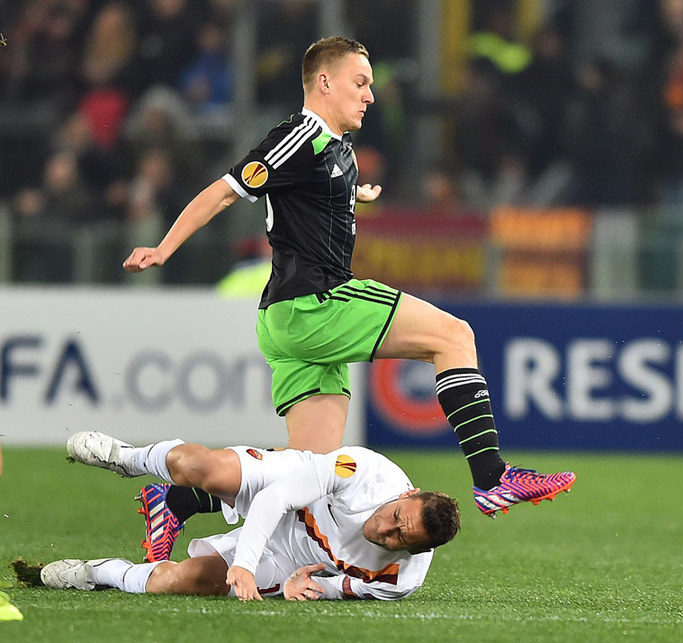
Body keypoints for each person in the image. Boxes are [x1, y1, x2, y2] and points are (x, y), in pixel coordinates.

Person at [120, 35, 575, 548]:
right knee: (454, 336)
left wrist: (354, 194)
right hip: (316, 303)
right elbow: (225, 192)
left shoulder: (336, 147)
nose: (370, 96)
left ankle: (175, 501)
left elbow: (306, 192)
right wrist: (162, 248)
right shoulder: (299, 136)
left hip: (290, 319)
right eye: (360, 83)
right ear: (324, 82)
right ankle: (492, 477)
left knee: (309, 474)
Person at [42, 431, 460, 602]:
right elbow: (276, 497)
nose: (384, 528)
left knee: (178, 582)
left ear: (416, 551)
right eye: (396, 515)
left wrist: (309, 587)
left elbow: (345, 588)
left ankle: (97, 573)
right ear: (407, 494)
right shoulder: (367, 471)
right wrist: (243, 563)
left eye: (399, 538)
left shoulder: (402, 579)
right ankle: (126, 458)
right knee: (202, 468)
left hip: (291, 558)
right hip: (293, 491)